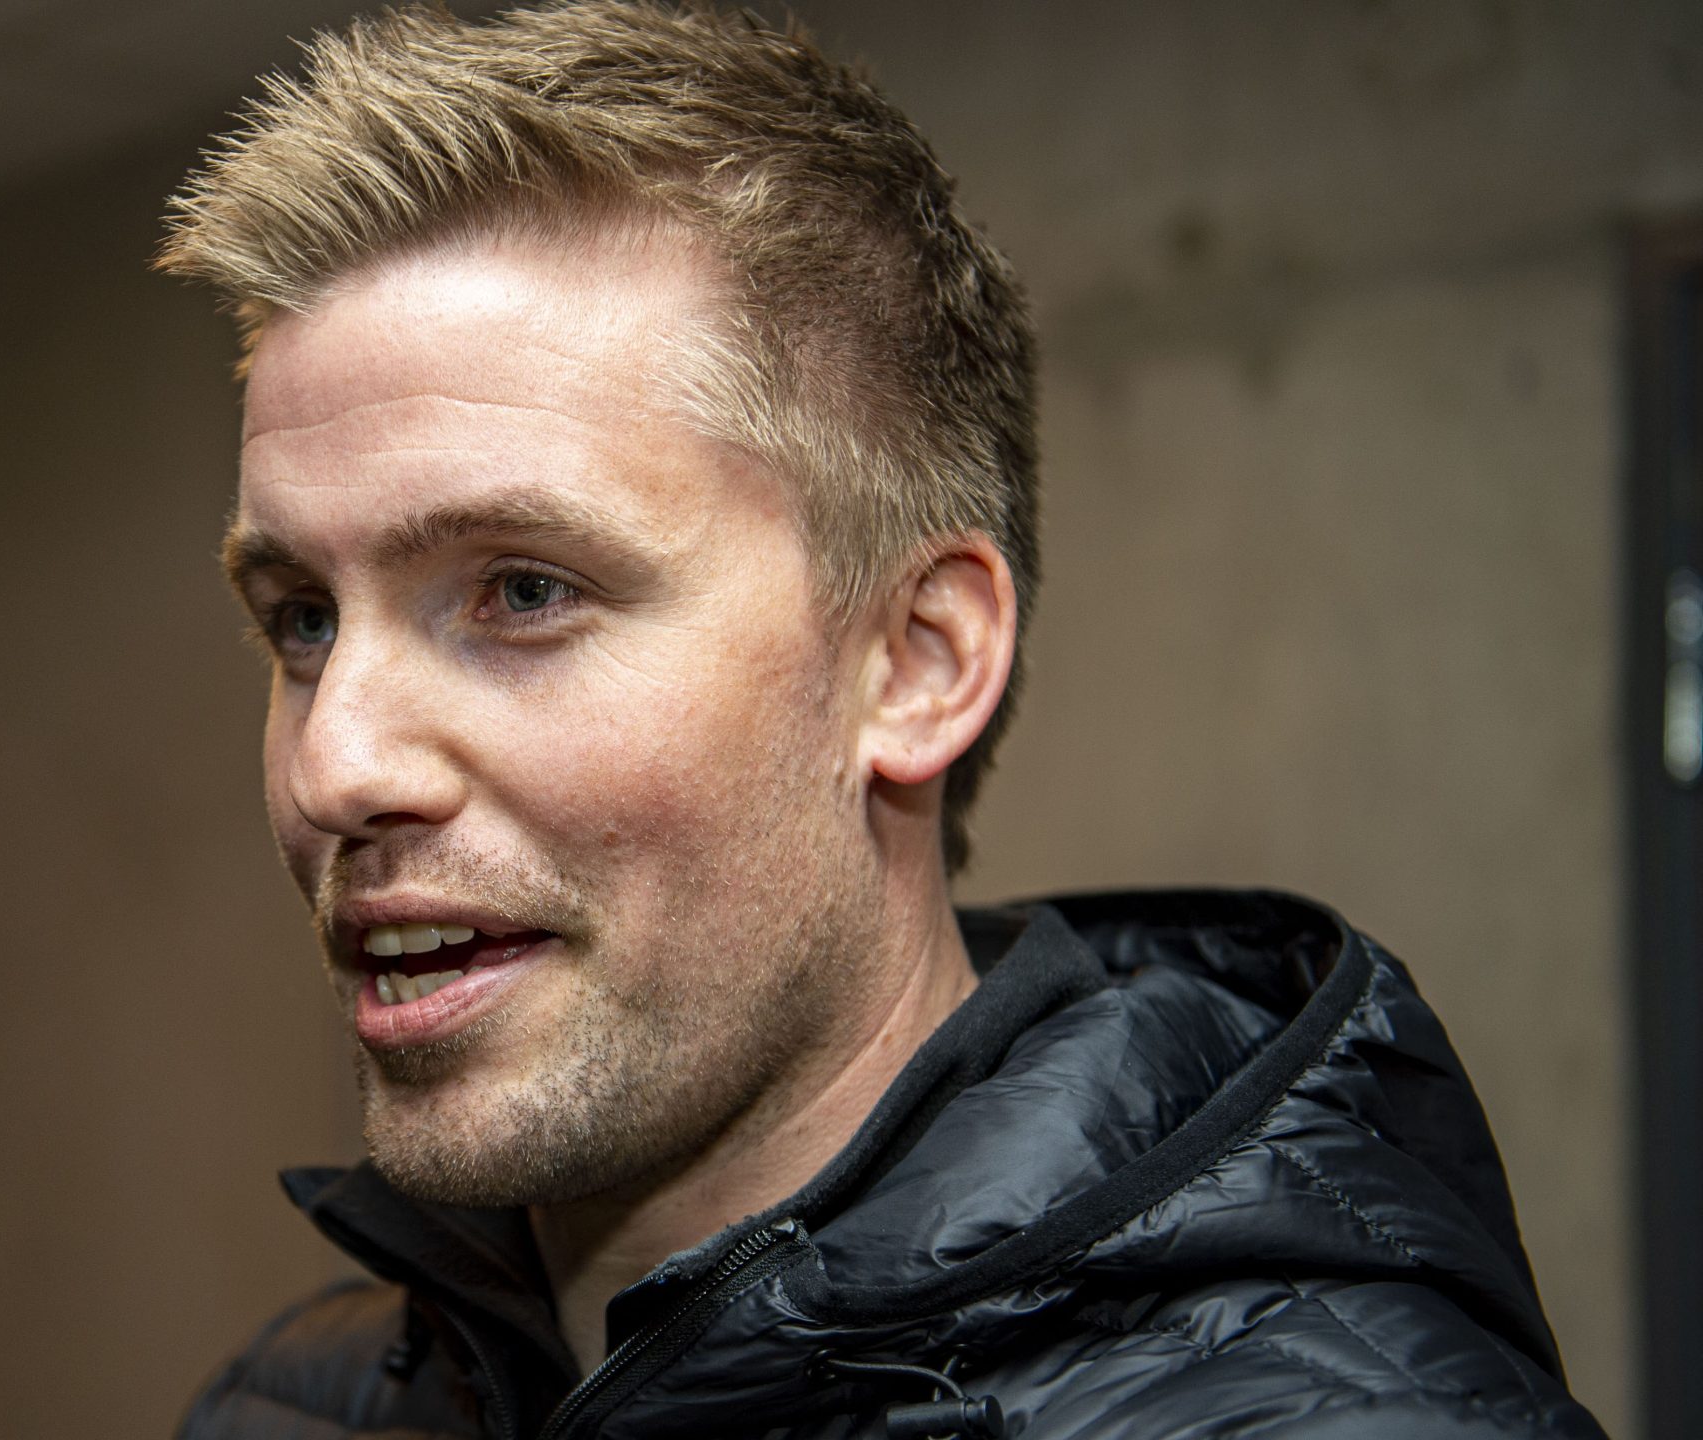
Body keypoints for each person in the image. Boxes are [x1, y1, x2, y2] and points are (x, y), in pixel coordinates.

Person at [155, 4, 1604, 1435]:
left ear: (915, 664)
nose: (334, 765)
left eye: (524, 591)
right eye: (303, 618)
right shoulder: (293, 1407)